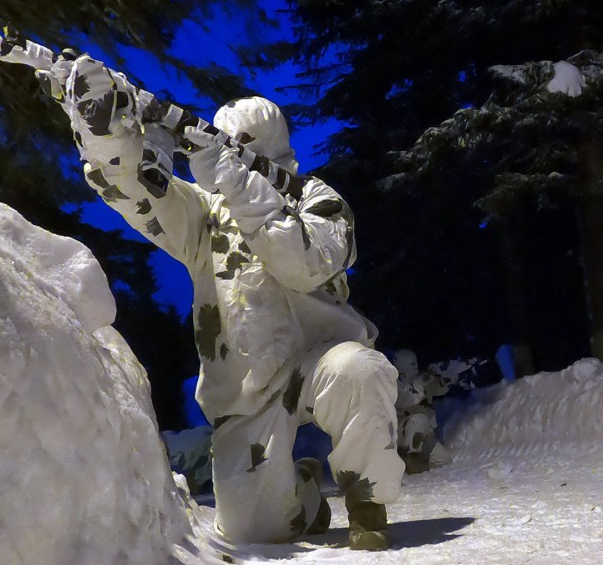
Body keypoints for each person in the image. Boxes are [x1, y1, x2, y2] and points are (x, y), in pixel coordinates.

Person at [54, 55, 404, 550]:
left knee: (361, 372)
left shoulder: (316, 197)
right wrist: (107, 132)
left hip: (323, 359)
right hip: (247, 387)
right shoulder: (203, 213)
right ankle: (302, 493)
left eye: (236, 148)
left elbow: (304, 264)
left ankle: (367, 499)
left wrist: (241, 186)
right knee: (252, 531)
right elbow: (141, 195)